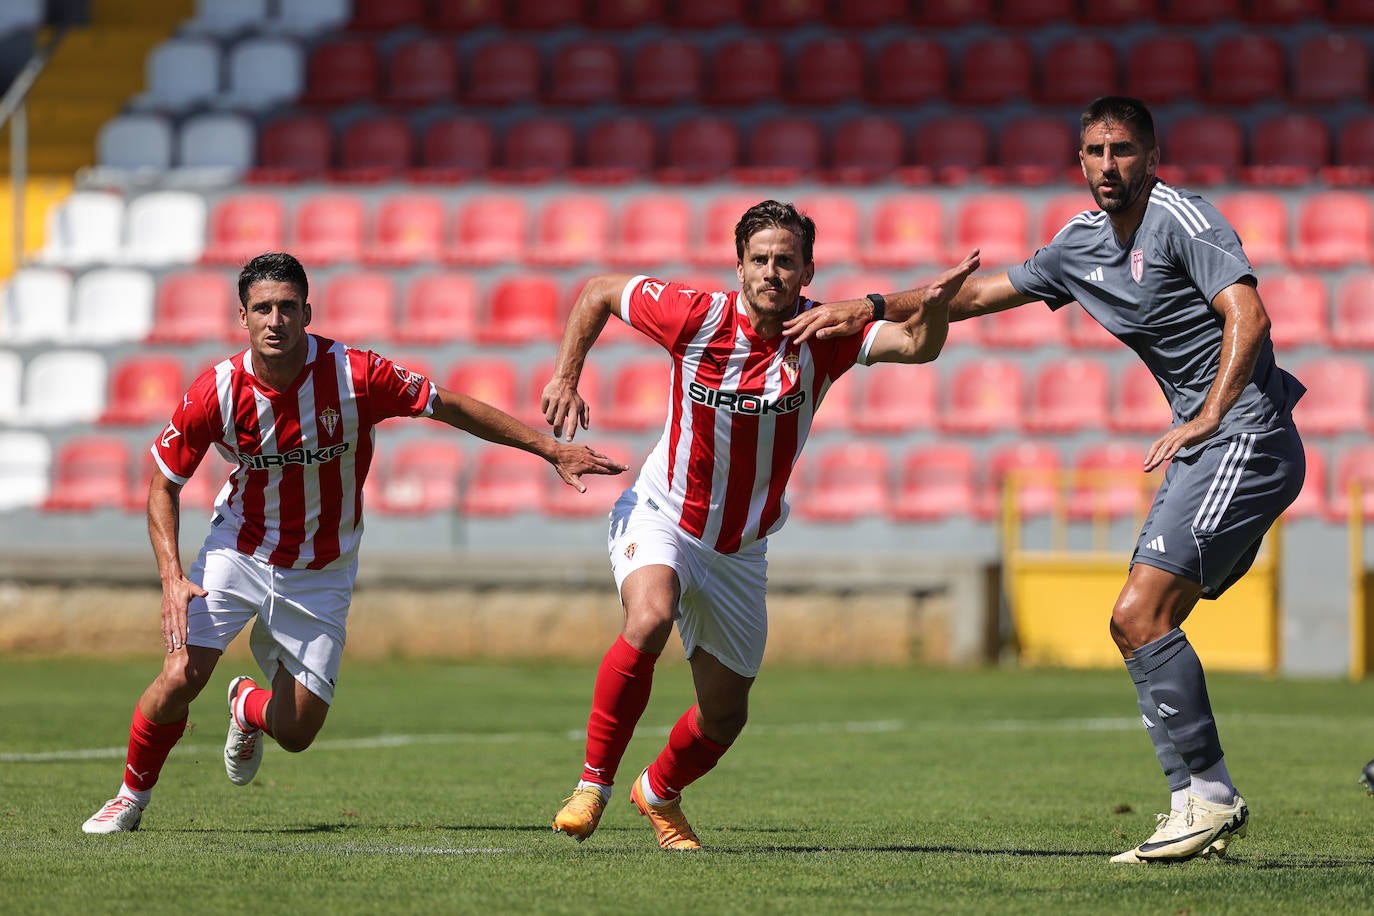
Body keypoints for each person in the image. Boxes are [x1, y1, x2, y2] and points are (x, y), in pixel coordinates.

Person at [787, 96, 1307, 864]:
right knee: (1136, 624)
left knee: (1140, 614)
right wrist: (862, 307)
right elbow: (972, 296)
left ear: (1153, 157)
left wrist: (1206, 416)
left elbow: (1250, 318)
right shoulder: (1081, 244)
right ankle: (1194, 805)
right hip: (1209, 445)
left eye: (1124, 150)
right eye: (1094, 151)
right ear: (1079, 162)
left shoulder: (1184, 221)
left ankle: (1208, 796)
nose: (1108, 165)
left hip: (1242, 436)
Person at [81, 252, 627, 834]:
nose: (275, 320)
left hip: (322, 568)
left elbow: (450, 406)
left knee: (296, 732)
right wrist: (170, 575)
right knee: (179, 677)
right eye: (262, 308)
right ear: (242, 317)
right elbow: (164, 482)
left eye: (287, 307)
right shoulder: (214, 391)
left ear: (307, 313)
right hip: (238, 550)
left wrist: (550, 449)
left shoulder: (354, 374)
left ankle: (246, 705)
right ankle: (129, 799)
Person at [542, 199, 979, 850]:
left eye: (785, 261)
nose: (771, 272)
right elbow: (600, 291)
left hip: (740, 551)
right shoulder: (696, 317)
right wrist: (567, 375)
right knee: (649, 616)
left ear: (807, 271)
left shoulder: (825, 334)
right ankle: (592, 786)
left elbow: (918, 346)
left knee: (724, 715)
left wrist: (934, 306)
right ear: (739, 267)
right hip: (661, 514)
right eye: (760, 260)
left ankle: (658, 793)